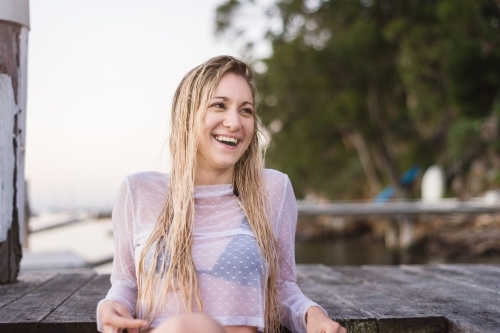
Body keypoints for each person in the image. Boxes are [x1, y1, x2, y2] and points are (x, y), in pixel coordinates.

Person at [97, 55, 346, 333]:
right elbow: (126, 285)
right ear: (188, 115)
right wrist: (109, 309)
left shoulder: (273, 189)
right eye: (219, 105)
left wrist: (312, 316)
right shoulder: (138, 191)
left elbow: (283, 288)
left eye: (246, 110)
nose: (234, 122)